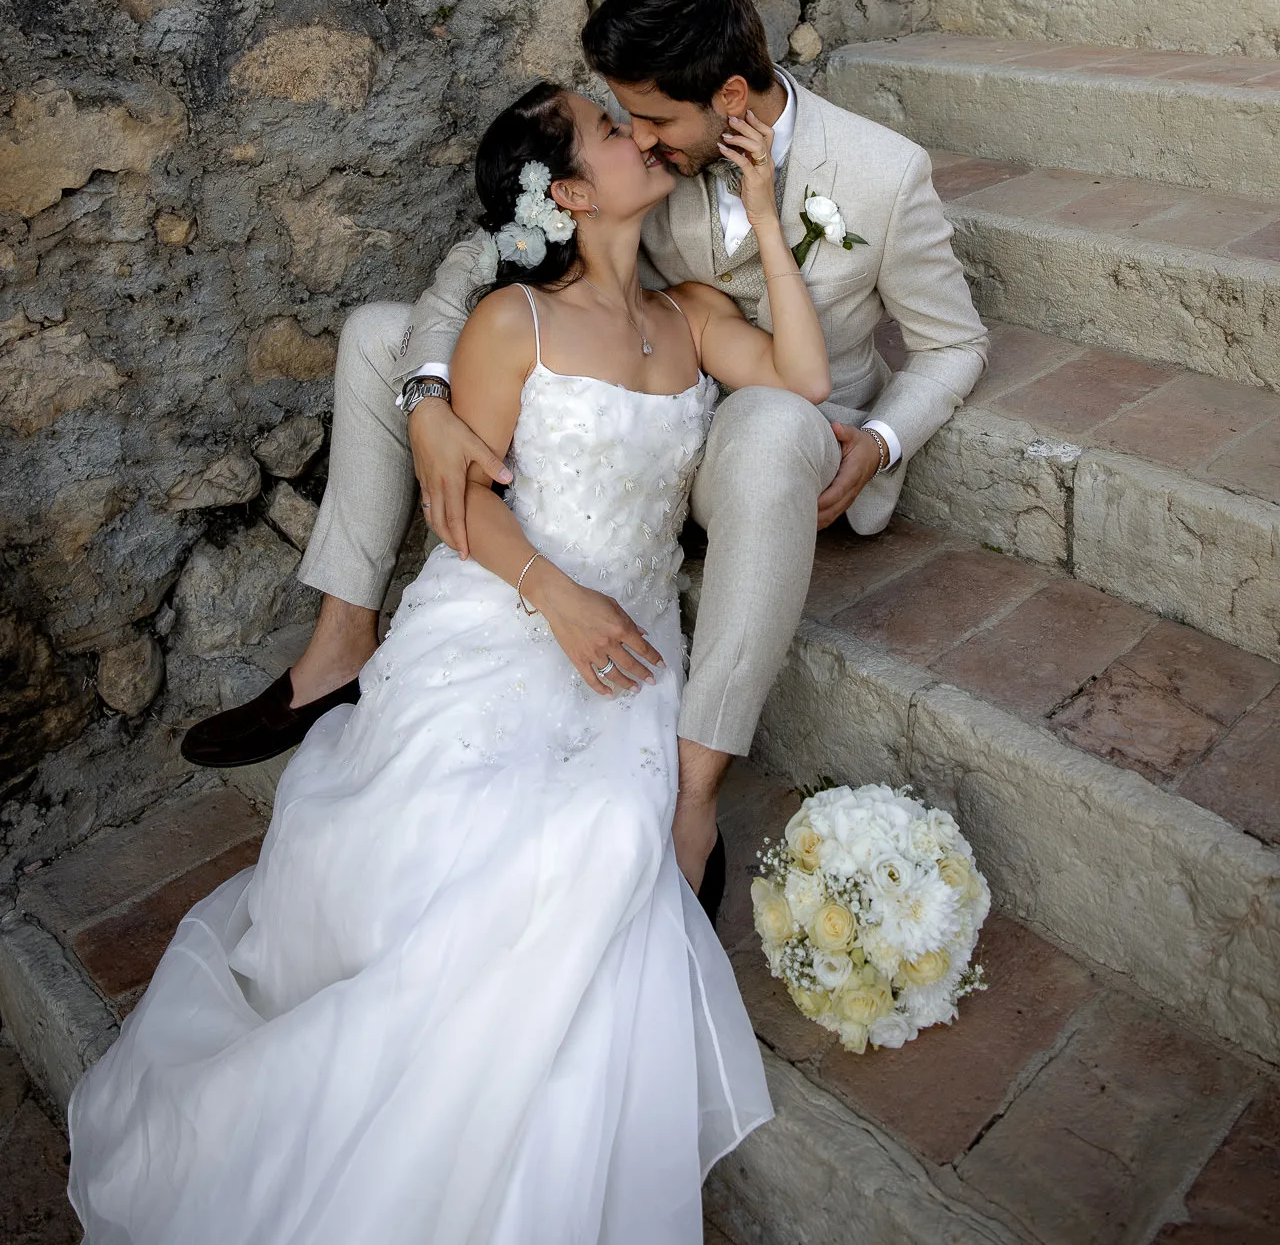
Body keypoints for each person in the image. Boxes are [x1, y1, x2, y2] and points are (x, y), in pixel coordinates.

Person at [69, 82, 832, 1244]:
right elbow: (463, 513)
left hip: (630, 639)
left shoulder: (685, 314)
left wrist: (767, 216)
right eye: (613, 134)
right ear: (568, 193)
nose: (642, 138)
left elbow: (806, 382)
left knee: (594, 844)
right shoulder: (506, 323)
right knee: (491, 850)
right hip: (503, 611)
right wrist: (557, 599)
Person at [182, 0, 987, 897]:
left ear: (728, 97)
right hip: (633, 408)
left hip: (767, 429)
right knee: (379, 337)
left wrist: (880, 442)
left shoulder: (882, 173)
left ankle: (694, 787)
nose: (637, 135)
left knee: (768, 420)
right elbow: (485, 255)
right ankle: (341, 639)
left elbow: (954, 344)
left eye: (647, 120)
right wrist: (433, 404)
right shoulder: (640, 170)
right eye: (620, 120)